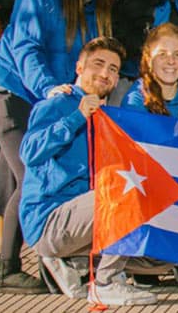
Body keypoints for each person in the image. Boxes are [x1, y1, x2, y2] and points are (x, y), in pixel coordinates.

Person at [0, 0, 112, 294]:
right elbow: (27, 49)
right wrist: (50, 91)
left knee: (11, 177)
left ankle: (1, 261)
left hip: (45, 101)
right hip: (11, 93)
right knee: (35, 175)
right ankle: (10, 266)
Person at [20, 37, 158, 305]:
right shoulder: (57, 104)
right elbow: (29, 153)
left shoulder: (106, 117)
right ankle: (106, 282)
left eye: (114, 69)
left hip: (85, 218)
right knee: (129, 190)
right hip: (51, 219)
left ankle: (74, 263)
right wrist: (76, 117)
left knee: (160, 258)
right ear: (79, 67)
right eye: (99, 64)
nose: (106, 73)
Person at [123, 23, 178, 121]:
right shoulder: (136, 100)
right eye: (162, 54)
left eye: (177, 54)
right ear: (149, 60)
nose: (171, 61)